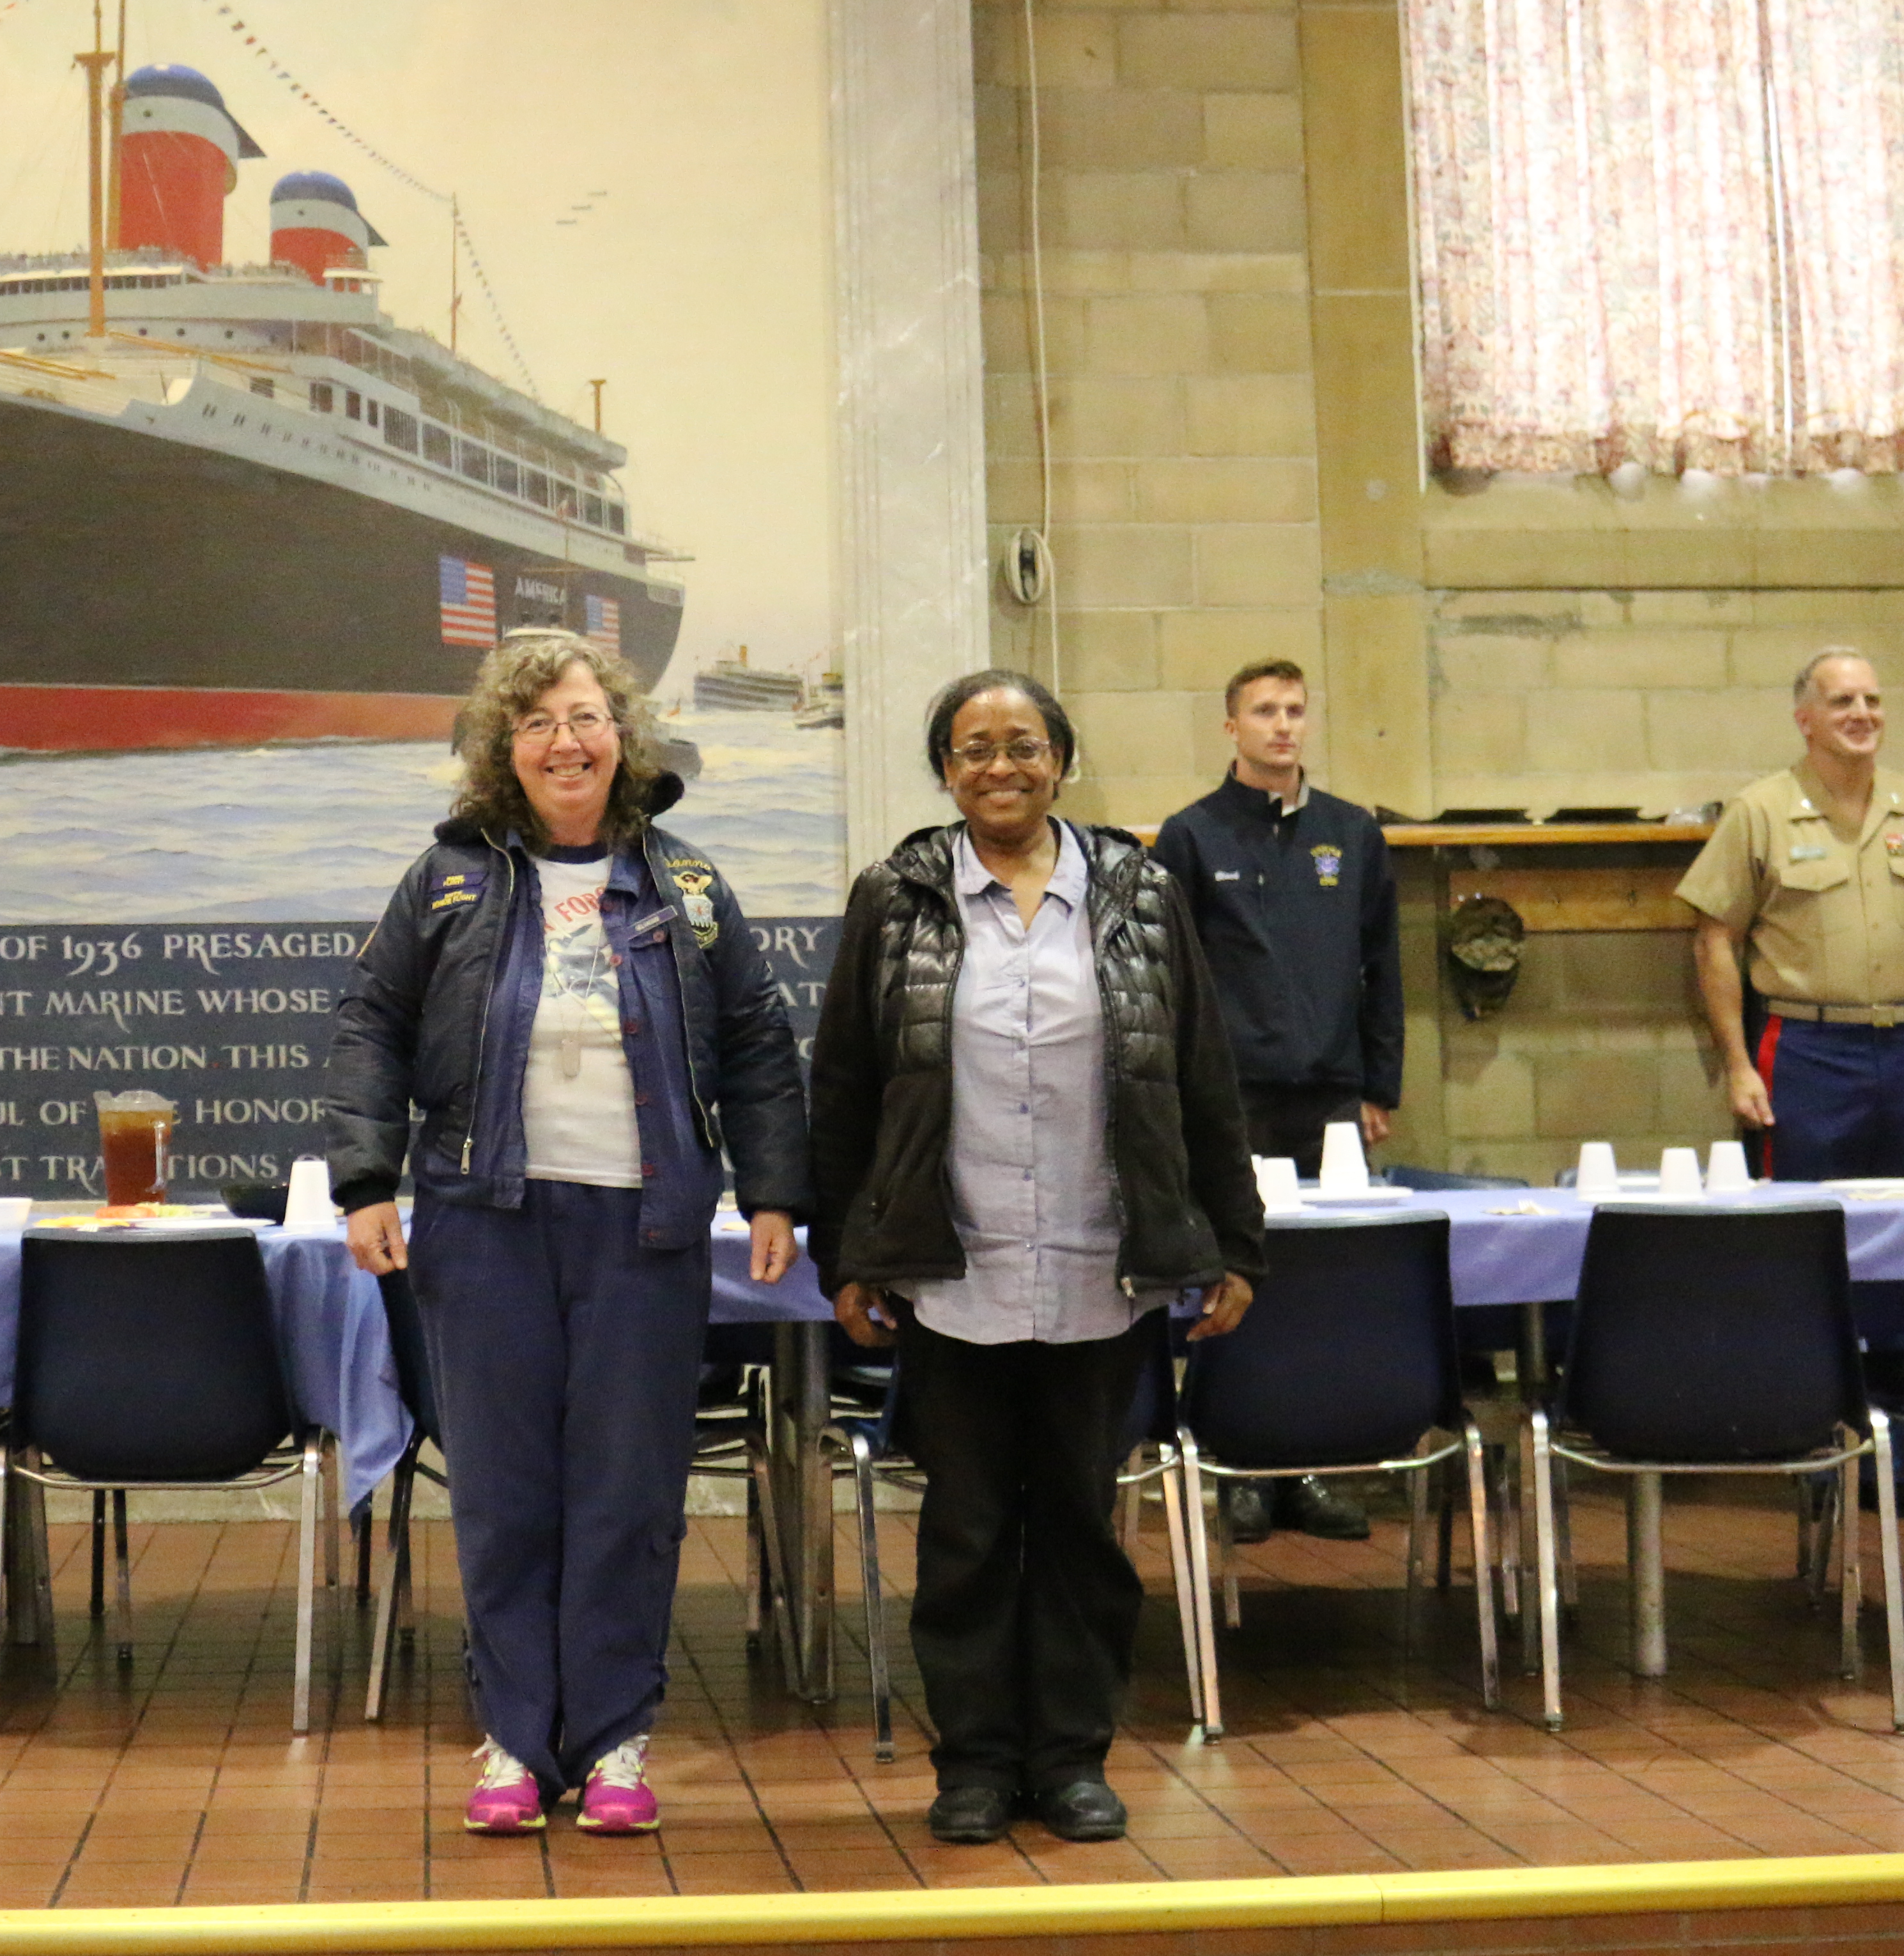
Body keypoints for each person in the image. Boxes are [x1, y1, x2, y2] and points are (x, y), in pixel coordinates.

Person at [326, 632, 808, 1838]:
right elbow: (371, 1024)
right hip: (482, 1222)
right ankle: (510, 1740)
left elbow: (755, 1042)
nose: (565, 740)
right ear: (506, 750)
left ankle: (612, 1741)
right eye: (537, 721)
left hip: (643, 1225)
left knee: (626, 1491)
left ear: (623, 736)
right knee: (501, 1490)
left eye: (585, 716)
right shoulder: (445, 879)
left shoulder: (688, 885)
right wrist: (365, 1175)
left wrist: (771, 1191)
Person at [810, 669, 1261, 1849]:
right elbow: (847, 1088)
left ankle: (1068, 1758)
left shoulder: (1142, 894)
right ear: (944, 769)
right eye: (972, 748)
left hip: (1100, 1272)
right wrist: (846, 1252)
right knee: (962, 1535)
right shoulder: (895, 898)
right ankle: (972, 1762)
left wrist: (1230, 1239)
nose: (998, 766)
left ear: (1061, 757)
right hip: (951, 1275)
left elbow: (1202, 1078)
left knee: (1078, 1528)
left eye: (1022, 744)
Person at [1151, 658, 1394, 1546]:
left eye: (1295, 709)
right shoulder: (1191, 836)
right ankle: (1239, 1472)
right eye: (1264, 711)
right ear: (1232, 727)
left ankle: (1311, 1469)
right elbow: (1168, 978)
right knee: (1237, 1284)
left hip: (1331, 1097)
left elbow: (1383, 968)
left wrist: (1380, 1084)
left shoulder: (1351, 833)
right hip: (1231, 1103)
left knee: (1322, 1288)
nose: (1283, 725)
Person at [1682, 647, 1904, 1179]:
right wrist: (1739, 1067)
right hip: (1805, 1052)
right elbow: (1714, 941)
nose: (1862, 713)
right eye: (1842, 702)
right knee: (1802, 1217)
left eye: (1872, 700)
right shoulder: (1761, 810)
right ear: (1805, 721)